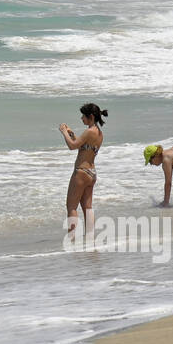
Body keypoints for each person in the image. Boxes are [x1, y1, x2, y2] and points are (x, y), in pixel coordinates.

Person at [59, 103, 107, 242]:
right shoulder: (98, 133)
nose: (81, 118)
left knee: (71, 207)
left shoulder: (89, 131)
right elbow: (83, 147)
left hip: (81, 172)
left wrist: (63, 132)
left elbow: (72, 146)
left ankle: (72, 239)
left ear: (90, 117)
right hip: (91, 173)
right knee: (88, 207)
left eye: (83, 116)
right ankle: (90, 237)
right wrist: (71, 134)